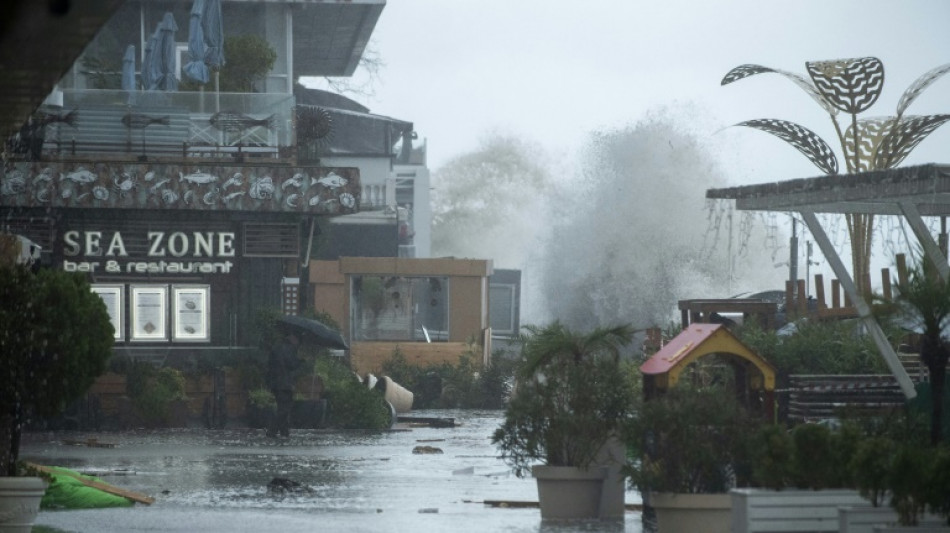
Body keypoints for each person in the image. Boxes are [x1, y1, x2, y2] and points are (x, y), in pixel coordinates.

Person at [266, 332, 301, 438]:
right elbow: (292, 365)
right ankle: (272, 431)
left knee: (282, 407)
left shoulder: (277, 348)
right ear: (292, 338)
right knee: (284, 409)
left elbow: (270, 365)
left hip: (275, 383)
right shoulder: (289, 349)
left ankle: (284, 431)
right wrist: (302, 360)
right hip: (284, 384)